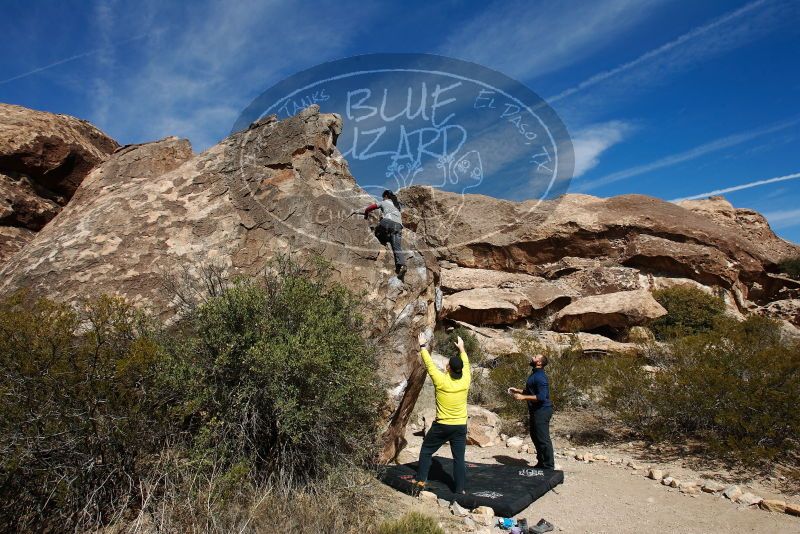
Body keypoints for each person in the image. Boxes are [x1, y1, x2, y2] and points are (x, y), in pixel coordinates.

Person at [414, 332, 471, 494]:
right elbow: (466, 364)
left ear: (448, 368)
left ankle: (420, 481)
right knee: (459, 459)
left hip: (442, 425)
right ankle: (460, 489)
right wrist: (462, 349)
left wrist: (422, 345)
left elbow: (429, 364)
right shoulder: (466, 379)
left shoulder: (441, 380)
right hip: (460, 426)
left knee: (426, 450)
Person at [508, 353, 554, 470]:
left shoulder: (540, 377)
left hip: (543, 410)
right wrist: (518, 390)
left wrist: (523, 397)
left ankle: (549, 466)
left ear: (539, 362)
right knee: (535, 436)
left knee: (543, 438)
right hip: (535, 410)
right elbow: (531, 391)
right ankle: (541, 463)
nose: (532, 357)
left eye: (535, 357)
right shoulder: (535, 374)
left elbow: (542, 396)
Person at [361, 190, 407, 279]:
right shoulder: (396, 206)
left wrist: (366, 215)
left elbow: (369, 208)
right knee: (397, 247)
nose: (382, 198)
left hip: (387, 222)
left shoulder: (383, 202)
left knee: (377, 230)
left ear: (386, 196)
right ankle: (402, 265)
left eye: (383, 196)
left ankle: (382, 240)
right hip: (398, 226)